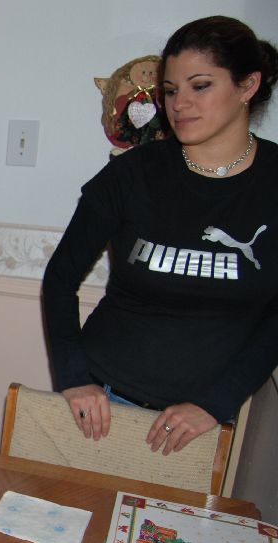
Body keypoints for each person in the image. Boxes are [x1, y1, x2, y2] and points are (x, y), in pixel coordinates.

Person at [43, 16, 278, 456]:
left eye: (200, 86)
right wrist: (74, 378)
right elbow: (60, 279)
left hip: (199, 426)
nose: (180, 104)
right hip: (101, 403)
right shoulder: (133, 173)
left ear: (247, 85)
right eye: (170, 91)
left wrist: (216, 403)